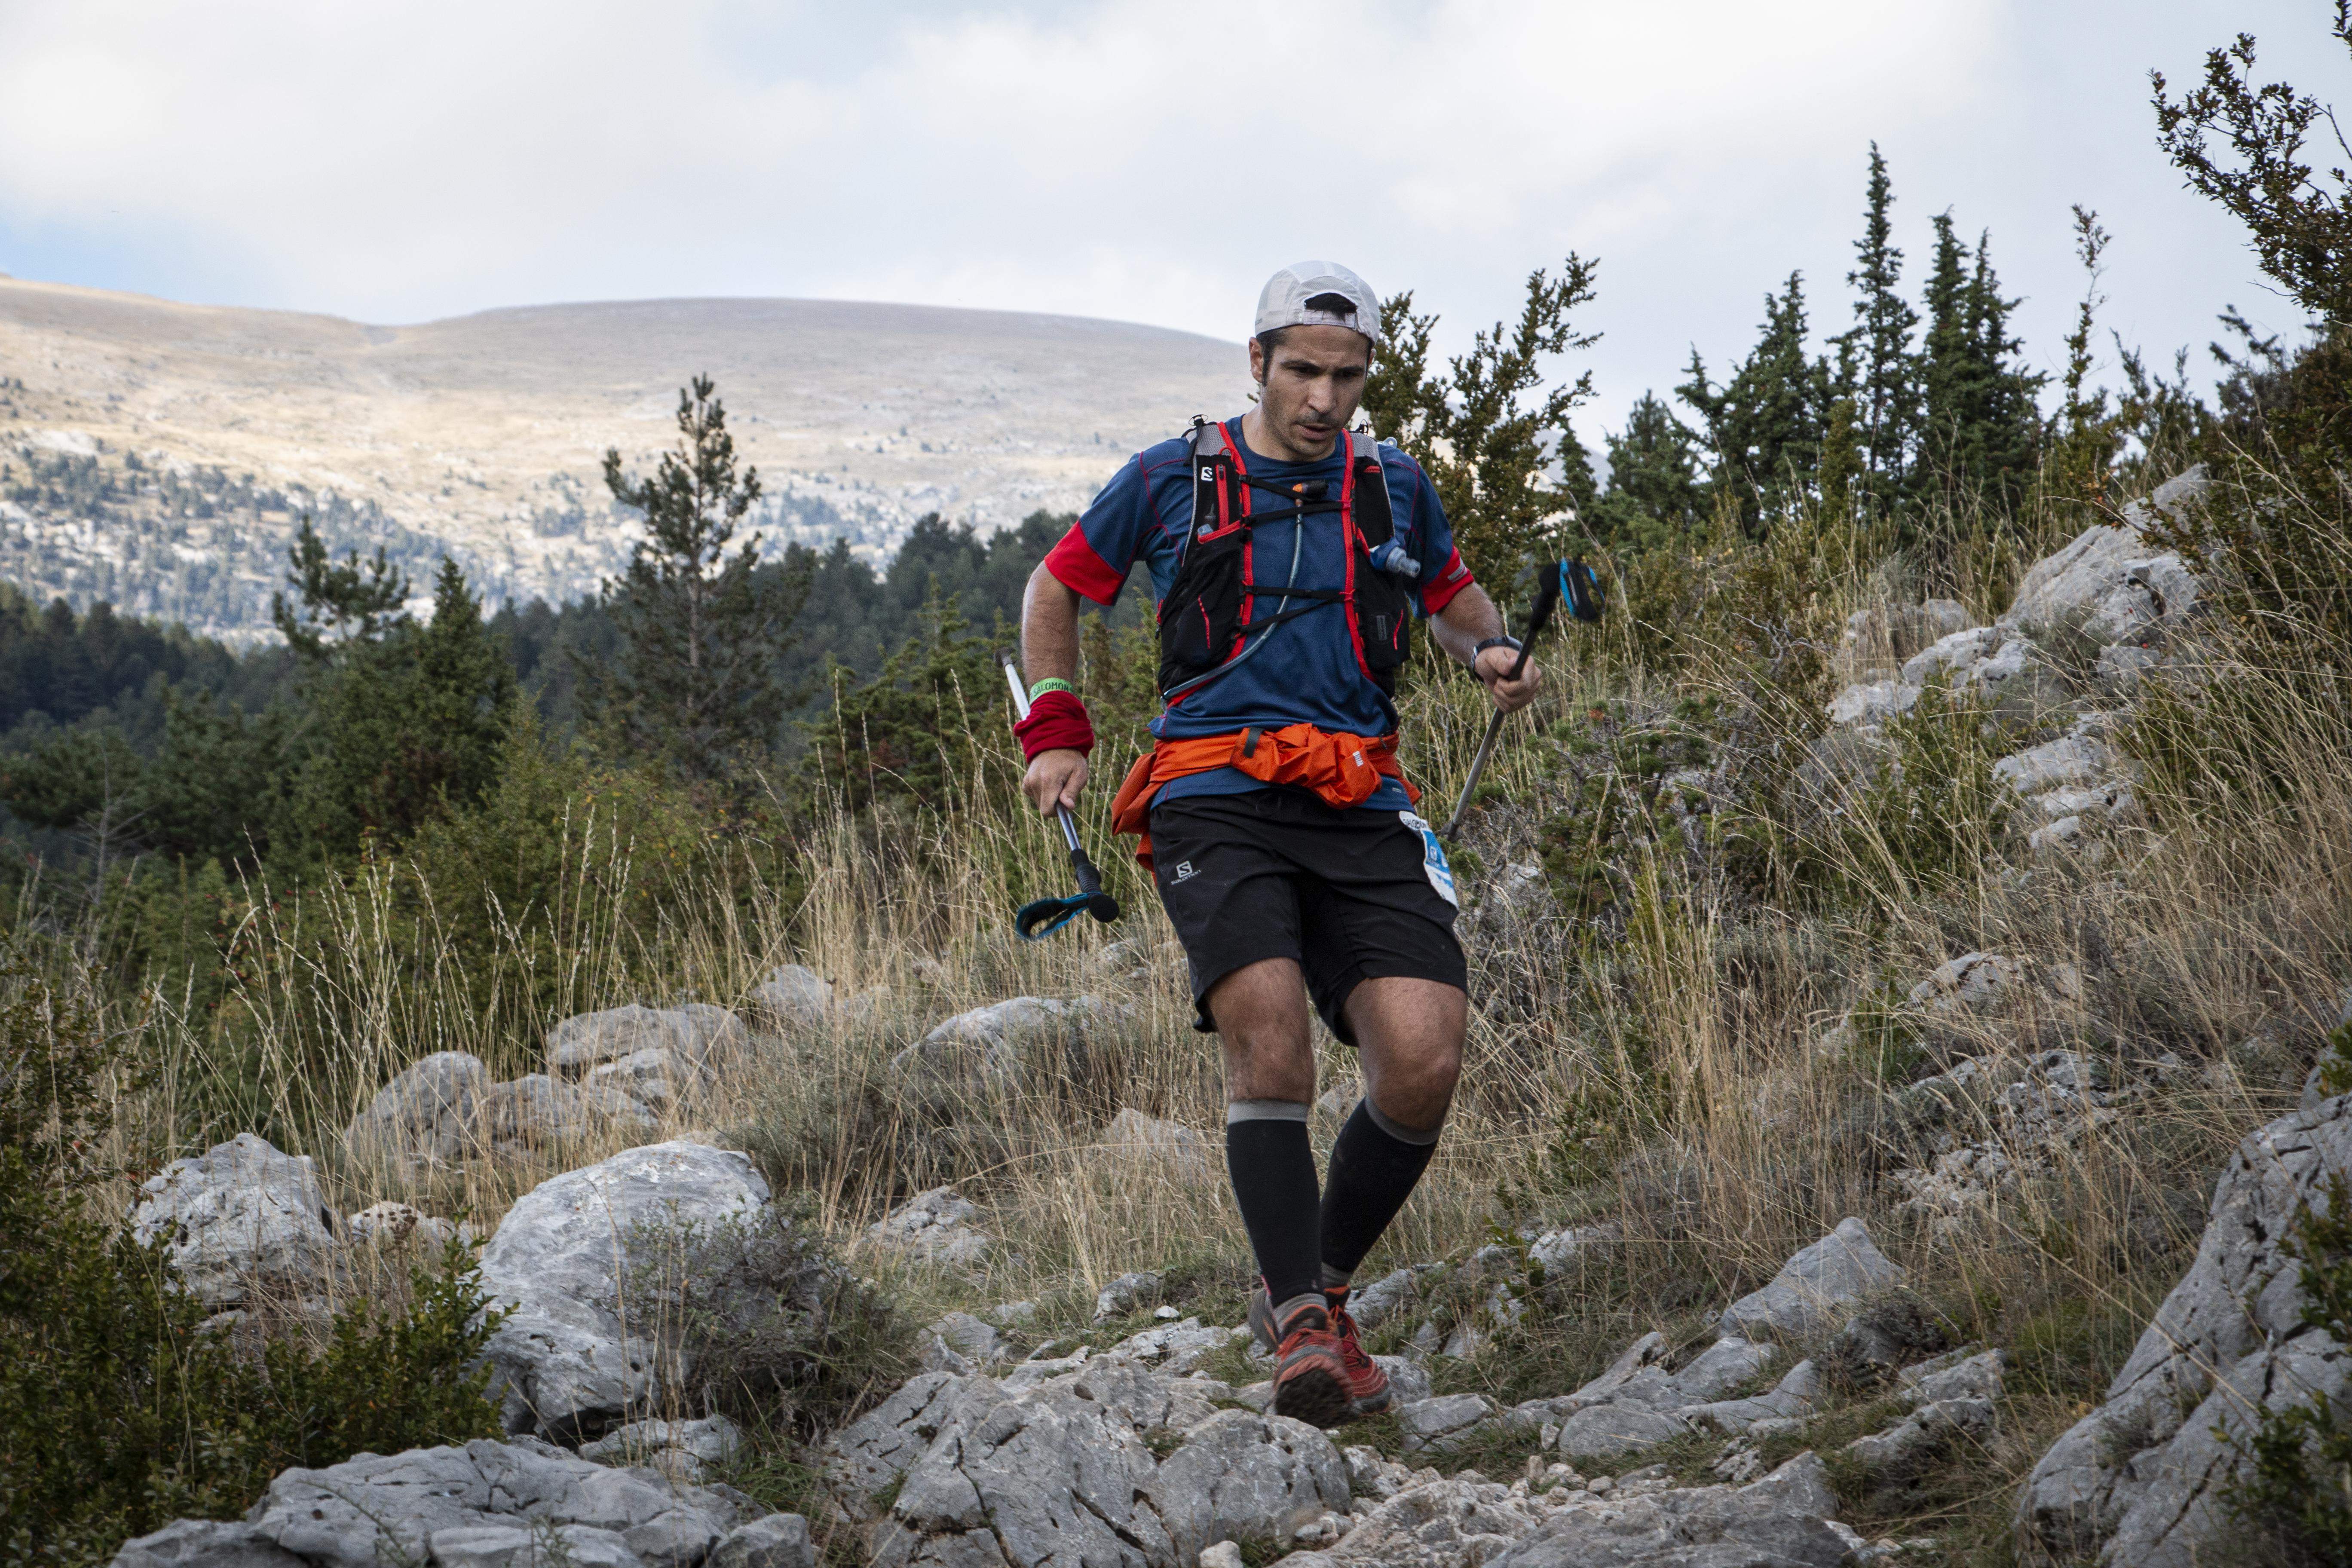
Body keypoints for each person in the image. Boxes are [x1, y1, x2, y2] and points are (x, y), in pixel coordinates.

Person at [1013, 260, 1540, 1429]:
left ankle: (1319, 1288)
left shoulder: (1396, 490)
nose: (1324, 397)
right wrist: (1056, 721)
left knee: (1424, 1056)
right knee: (1273, 1041)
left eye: (1347, 376)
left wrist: (1494, 651)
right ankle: (1300, 1324)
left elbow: (1450, 596)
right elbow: (1058, 590)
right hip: (1211, 791)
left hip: (1359, 794)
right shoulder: (1169, 479)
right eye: (1302, 370)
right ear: (1257, 364)